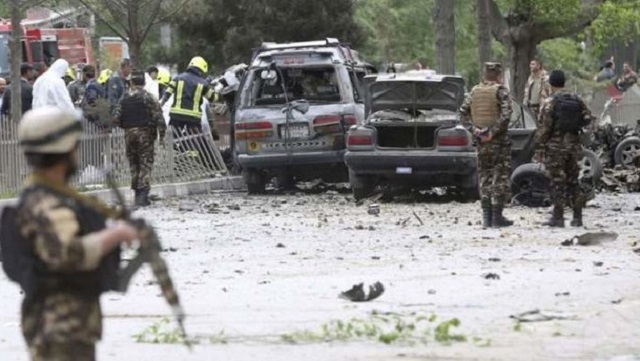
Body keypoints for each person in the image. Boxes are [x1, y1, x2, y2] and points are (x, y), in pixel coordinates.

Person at [4, 106, 139, 360]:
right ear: (66, 150)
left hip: (65, 322)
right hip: (59, 327)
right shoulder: (45, 203)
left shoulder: (50, 196)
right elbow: (68, 253)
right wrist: (117, 235)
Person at [459, 62, 513, 228]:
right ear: (498, 75)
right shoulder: (501, 91)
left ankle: (486, 218)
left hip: (481, 143)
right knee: (499, 177)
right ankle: (496, 217)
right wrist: (492, 132)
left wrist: (475, 130)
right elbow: (506, 115)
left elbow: (462, 113)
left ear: (484, 74)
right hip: (498, 143)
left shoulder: (474, 91)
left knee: (484, 177)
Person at [536, 70, 593, 227]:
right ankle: (577, 217)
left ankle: (558, 217)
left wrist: (540, 145)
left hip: (555, 147)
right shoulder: (577, 99)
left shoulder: (550, 102)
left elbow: (545, 127)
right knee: (573, 180)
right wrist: (577, 132)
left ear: (551, 84)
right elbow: (588, 118)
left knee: (557, 181)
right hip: (573, 146)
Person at [113, 70, 166, 207]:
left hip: (129, 136)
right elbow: (159, 117)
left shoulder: (123, 98)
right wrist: (162, 136)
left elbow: (116, 119)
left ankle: (137, 193)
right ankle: (142, 196)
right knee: (145, 163)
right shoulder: (149, 97)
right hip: (145, 135)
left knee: (134, 164)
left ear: (131, 83)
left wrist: (128, 128)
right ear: (144, 82)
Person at [160, 56, 216, 132]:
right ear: (200, 70)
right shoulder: (203, 83)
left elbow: (167, 94)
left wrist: (160, 106)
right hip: (193, 118)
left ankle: (175, 144)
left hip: (176, 116)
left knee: (173, 138)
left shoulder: (177, 78)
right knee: (194, 140)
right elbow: (212, 98)